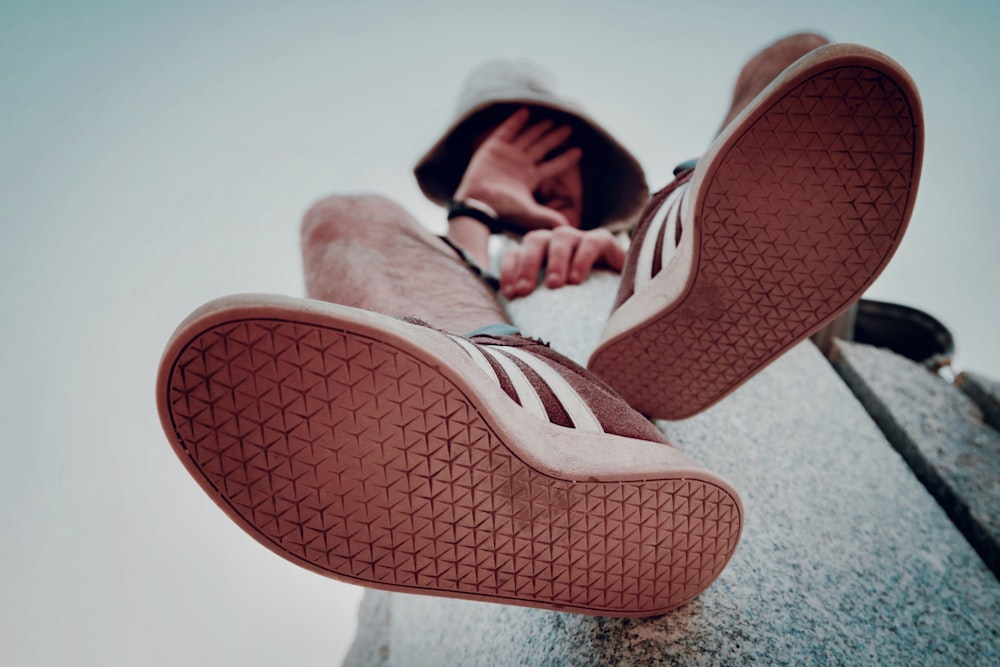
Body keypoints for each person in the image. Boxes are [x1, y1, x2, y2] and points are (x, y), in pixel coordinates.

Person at [156, 33, 923, 617]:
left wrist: (613, 252)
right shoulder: (453, 247)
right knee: (342, 214)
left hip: (798, 345)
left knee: (796, 61)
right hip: (506, 351)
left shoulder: (609, 236)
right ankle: (524, 391)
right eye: (512, 152)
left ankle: (672, 258)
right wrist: (478, 210)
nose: (542, 170)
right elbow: (409, 297)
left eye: (558, 149)